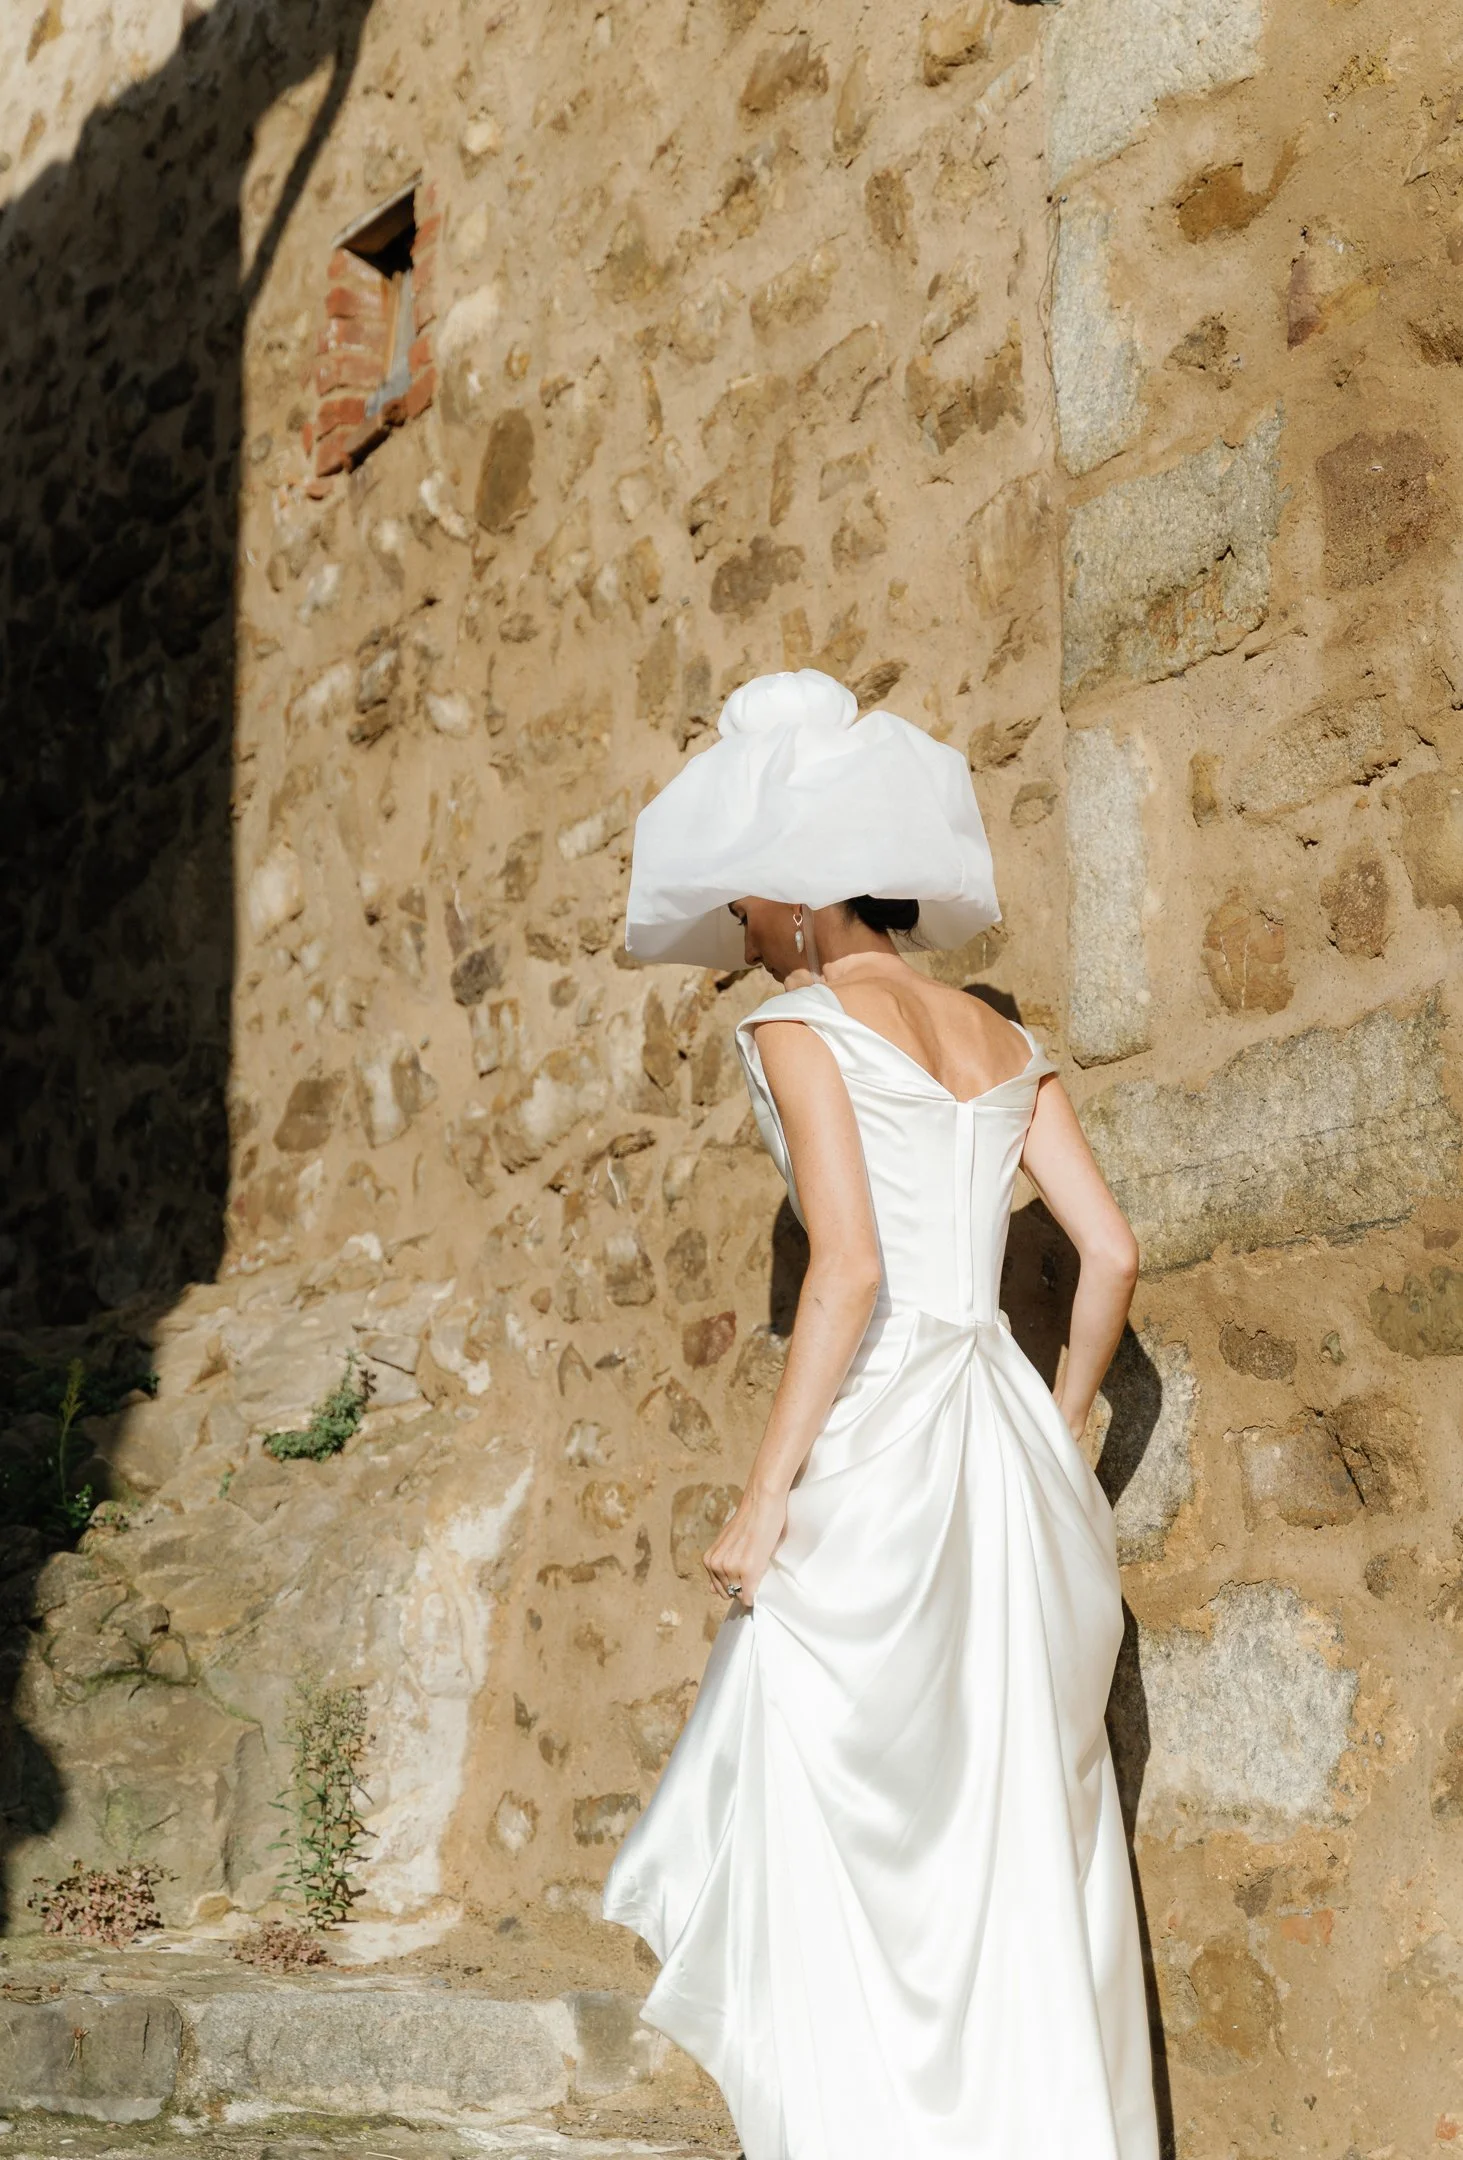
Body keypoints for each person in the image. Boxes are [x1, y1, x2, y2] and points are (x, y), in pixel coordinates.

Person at [601, 668, 1160, 2160]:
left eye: (744, 899)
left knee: (844, 1817)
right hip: (1003, 1437)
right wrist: (1058, 1416)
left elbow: (844, 1273)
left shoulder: (798, 1024)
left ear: (796, 900)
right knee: (1015, 1824)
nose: (736, 926)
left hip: (887, 1435)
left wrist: (764, 1490)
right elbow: (1105, 1252)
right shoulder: (993, 1032)